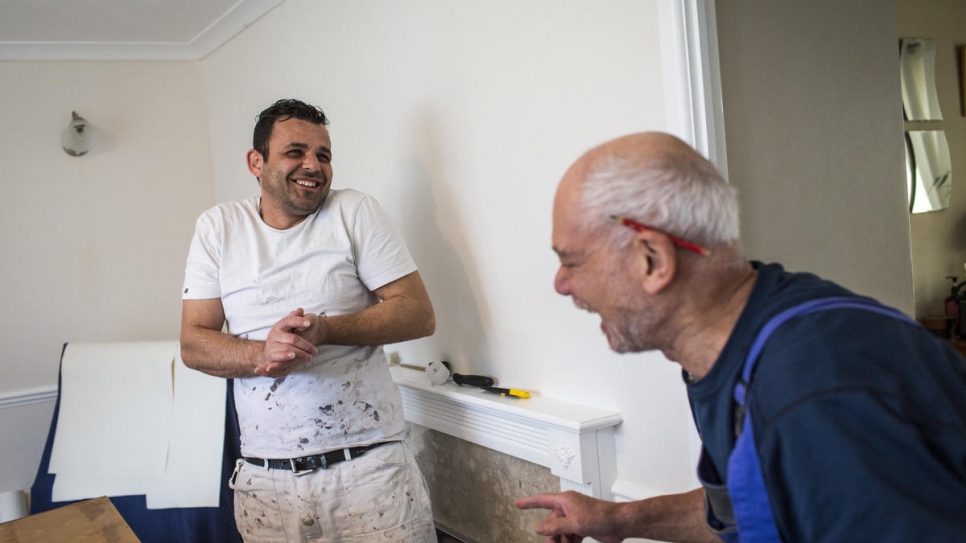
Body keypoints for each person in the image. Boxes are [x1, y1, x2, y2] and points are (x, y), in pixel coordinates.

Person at [515, 132, 966, 542]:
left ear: (652, 258)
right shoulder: (740, 345)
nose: (561, 283)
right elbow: (760, 504)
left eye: (572, 261)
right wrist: (618, 521)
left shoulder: (813, 395)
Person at [180, 98, 437, 542]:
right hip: (265, 483)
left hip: (368, 471)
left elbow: (418, 312)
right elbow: (193, 343)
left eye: (324, 154)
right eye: (295, 152)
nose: (313, 165)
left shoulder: (355, 212)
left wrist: (328, 329)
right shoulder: (218, 228)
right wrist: (263, 352)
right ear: (255, 162)